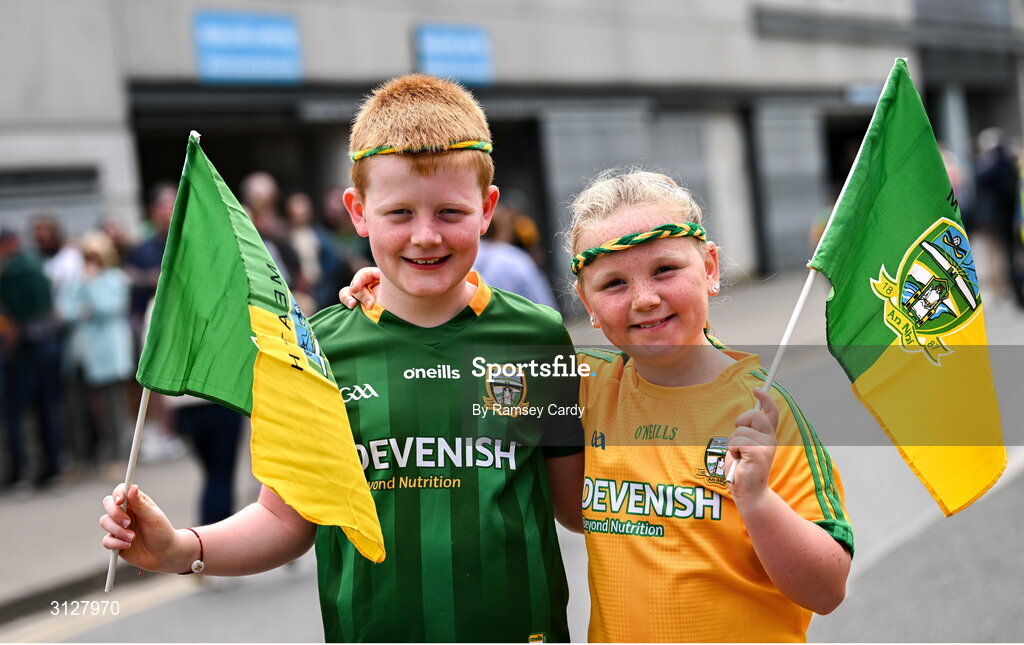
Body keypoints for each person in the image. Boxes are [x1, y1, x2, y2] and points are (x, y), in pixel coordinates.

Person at [101, 74, 584, 642]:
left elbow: (577, 505)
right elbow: (286, 519)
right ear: (357, 211)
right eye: (399, 213)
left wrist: (691, 450)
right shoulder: (317, 350)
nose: (425, 236)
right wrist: (181, 548)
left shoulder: (537, 335)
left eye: (450, 212)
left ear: (487, 208)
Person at [569, 170, 853, 642]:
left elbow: (826, 590)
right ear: (588, 304)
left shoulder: (762, 411)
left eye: (665, 270)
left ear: (711, 269)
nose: (645, 298)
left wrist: (757, 499)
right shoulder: (588, 386)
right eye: (614, 284)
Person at [57, 231, 134, 477]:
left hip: (108, 353)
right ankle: (82, 458)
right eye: (86, 257)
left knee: (113, 409)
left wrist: (91, 287)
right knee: (77, 410)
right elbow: (65, 311)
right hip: (80, 353)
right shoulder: (77, 280)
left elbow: (108, 307)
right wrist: (84, 289)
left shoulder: (115, 278)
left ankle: (118, 456)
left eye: (95, 257)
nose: (90, 263)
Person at [0, 227, 62, 488]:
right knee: (48, 409)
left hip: (25, 348)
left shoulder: (12, 271)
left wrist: (8, 350)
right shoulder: (36, 264)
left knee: (16, 412)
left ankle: (18, 471)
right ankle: (52, 468)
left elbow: (13, 320)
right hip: (48, 343)